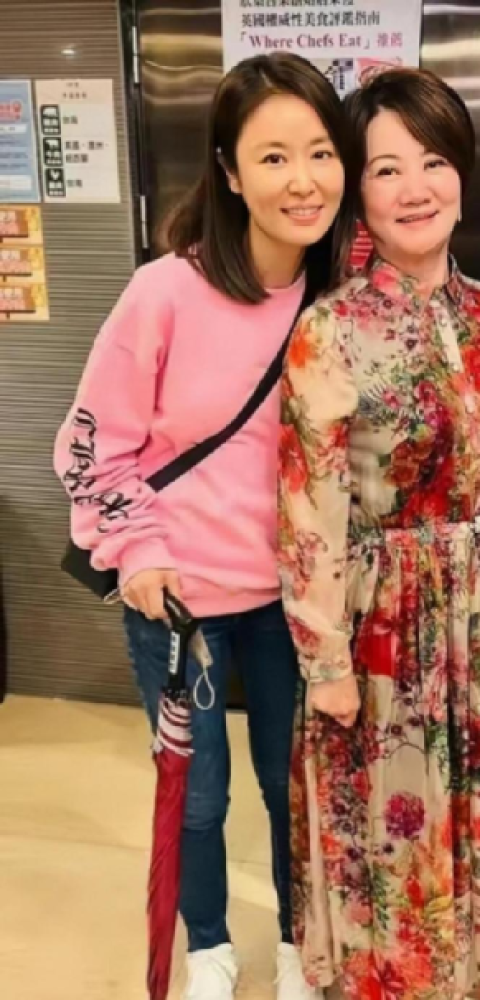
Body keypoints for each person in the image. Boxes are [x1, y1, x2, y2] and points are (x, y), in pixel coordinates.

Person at [54, 53, 354, 1000]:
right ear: (228, 172)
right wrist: (138, 554)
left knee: (294, 787)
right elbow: (90, 446)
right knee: (199, 795)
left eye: (320, 152)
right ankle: (211, 947)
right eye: (273, 157)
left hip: (293, 604)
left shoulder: (345, 294)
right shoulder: (165, 293)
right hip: (179, 599)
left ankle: (303, 944)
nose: (302, 180)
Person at [278, 68, 480, 1000]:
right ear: (358, 193)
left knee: (477, 814)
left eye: (432, 162)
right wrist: (324, 661)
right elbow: (307, 509)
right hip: (382, 624)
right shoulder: (330, 328)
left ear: (461, 172)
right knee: (392, 837)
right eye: (386, 170)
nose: (414, 188)